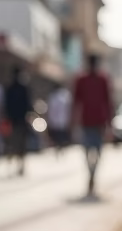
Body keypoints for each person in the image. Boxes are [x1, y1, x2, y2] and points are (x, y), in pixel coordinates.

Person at [72, 54, 113, 196]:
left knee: (98, 151)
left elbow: (108, 101)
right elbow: (76, 102)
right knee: (87, 151)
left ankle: (93, 174)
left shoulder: (103, 80)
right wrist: (73, 122)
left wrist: (109, 123)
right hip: (86, 122)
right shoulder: (81, 80)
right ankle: (90, 173)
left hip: (99, 122)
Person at [4, 66, 31, 176]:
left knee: (17, 143)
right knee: (18, 143)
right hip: (17, 121)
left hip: (17, 121)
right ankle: (19, 163)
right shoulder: (17, 88)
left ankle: (20, 164)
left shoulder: (15, 88)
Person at [46, 83, 72, 154]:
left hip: (57, 120)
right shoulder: (65, 95)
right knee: (60, 136)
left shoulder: (54, 96)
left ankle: (59, 147)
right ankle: (60, 147)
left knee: (58, 136)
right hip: (62, 120)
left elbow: (50, 110)